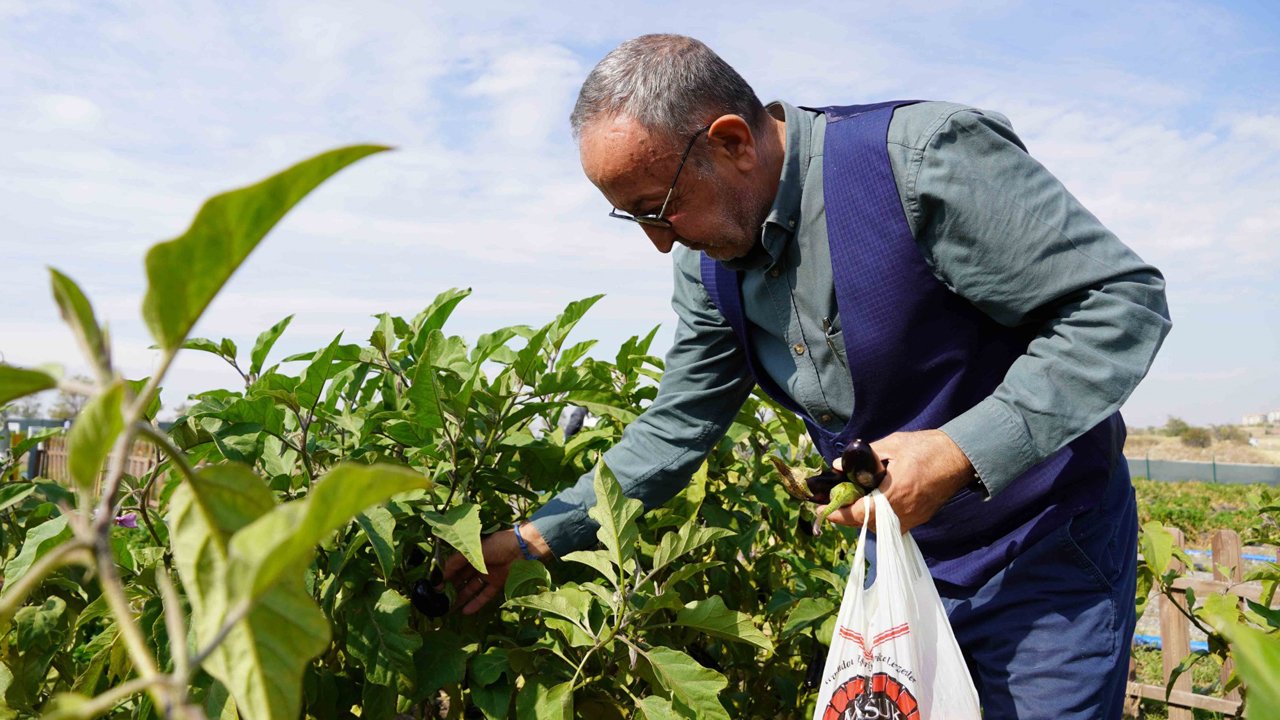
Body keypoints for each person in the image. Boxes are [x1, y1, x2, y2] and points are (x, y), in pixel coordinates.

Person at [444, 34, 1170, 718]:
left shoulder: (918, 160)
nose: (657, 241)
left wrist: (955, 452)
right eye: (630, 217)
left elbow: (1118, 303)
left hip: (1040, 551)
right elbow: (676, 426)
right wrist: (530, 539)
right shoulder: (708, 264)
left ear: (731, 141)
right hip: (905, 569)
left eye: (658, 208)